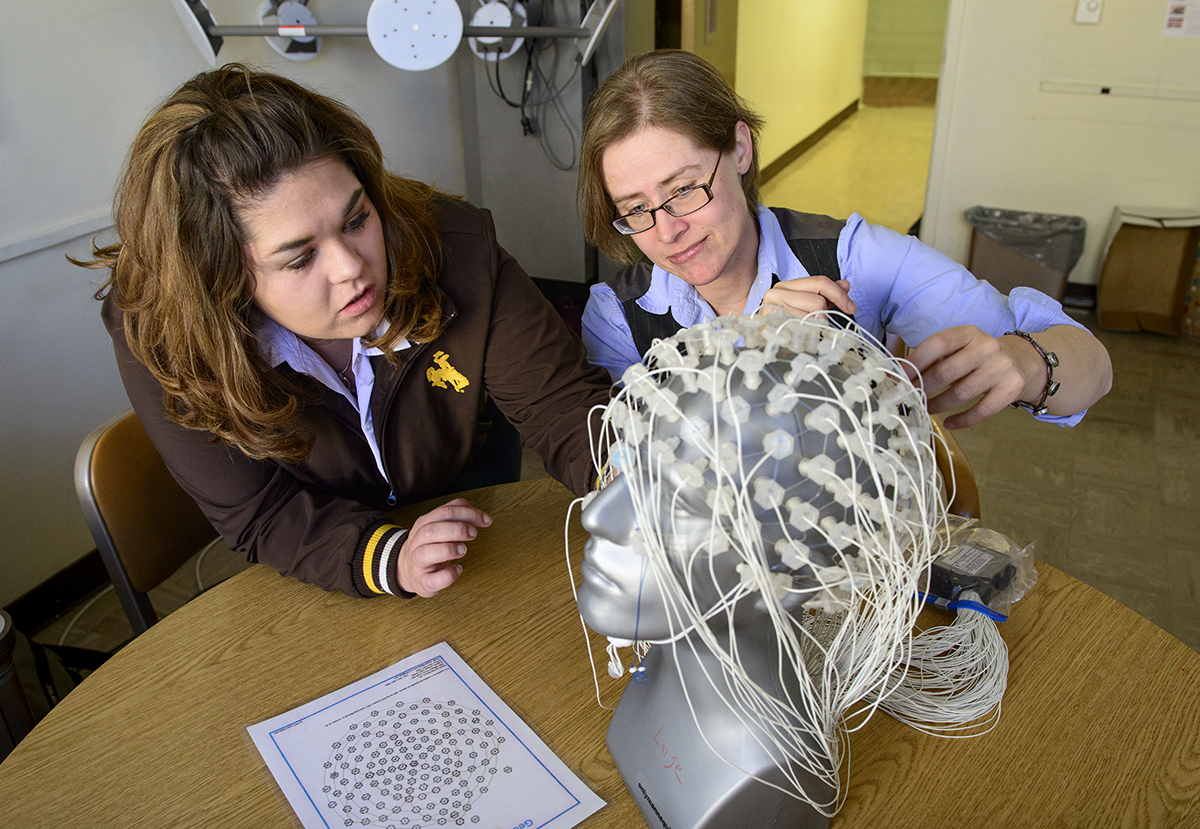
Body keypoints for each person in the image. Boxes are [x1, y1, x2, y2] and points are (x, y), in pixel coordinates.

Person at [77, 65, 613, 600]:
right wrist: (384, 558)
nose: (350, 267)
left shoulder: (454, 248)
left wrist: (632, 480)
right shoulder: (165, 337)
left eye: (357, 220)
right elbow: (264, 512)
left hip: (463, 481)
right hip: (324, 547)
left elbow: (563, 406)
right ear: (218, 277)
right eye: (300, 257)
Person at [577, 50, 1112, 430]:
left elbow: (1091, 365)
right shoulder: (617, 315)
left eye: (686, 189)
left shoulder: (855, 258)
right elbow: (629, 473)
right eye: (636, 209)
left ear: (740, 149)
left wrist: (1030, 362)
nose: (668, 231)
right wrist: (750, 360)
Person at [576, 313, 948, 826]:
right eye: (633, 468)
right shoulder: (662, 666)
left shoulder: (771, 770)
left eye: (682, 504)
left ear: (797, 572)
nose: (597, 515)